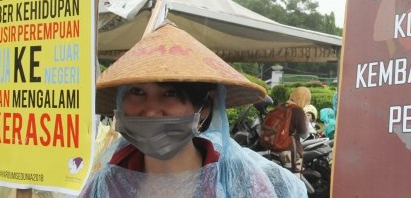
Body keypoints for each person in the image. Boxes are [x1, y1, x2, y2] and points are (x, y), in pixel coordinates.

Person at [81, 23, 306, 197]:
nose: (150, 111)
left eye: (169, 93)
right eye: (137, 92)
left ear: (204, 107)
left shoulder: (237, 179)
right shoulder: (106, 184)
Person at [275, 87, 311, 177]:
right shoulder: (298, 111)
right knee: (294, 180)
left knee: (284, 177)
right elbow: (304, 134)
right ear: (303, 99)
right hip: (292, 150)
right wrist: (306, 120)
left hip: (279, 149)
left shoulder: (282, 106)